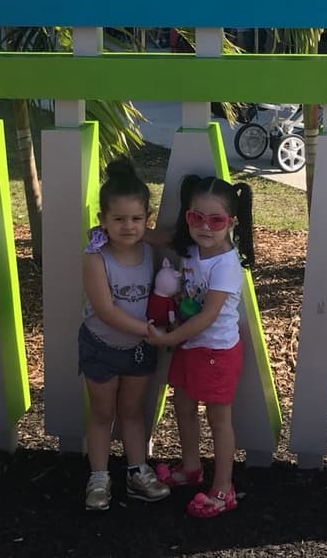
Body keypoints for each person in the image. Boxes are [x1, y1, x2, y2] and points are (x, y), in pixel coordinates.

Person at [146, 175, 254, 518]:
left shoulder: (225, 265)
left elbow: (208, 316)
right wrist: (127, 232)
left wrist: (168, 339)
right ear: (188, 218)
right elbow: (163, 238)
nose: (205, 227)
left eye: (216, 220)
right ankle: (192, 467)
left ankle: (224, 487)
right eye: (196, 218)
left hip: (215, 352)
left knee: (219, 421)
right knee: (182, 404)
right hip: (191, 346)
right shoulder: (192, 247)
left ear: (231, 224)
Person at [78, 157, 171, 511]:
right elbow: (106, 310)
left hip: (138, 350)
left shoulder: (149, 250)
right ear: (101, 220)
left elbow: (174, 238)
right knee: (103, 413)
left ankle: (137, 472)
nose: (127, 226)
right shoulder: (95, 257)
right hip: (102, 346)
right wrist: (151, 332)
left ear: (146, 221)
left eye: (136, 219)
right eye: (117, 219)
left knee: (132, 413)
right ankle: (99, 477)